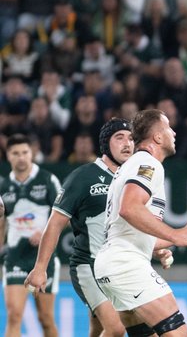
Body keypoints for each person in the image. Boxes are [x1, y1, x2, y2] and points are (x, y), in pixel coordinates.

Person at [94, 109, 187, 337]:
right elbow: (129, 208)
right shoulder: (148, 163)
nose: (173, 132)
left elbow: (132, 228)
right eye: (168, 127)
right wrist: (176, 234)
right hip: (126, 264)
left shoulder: (132, 165)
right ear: (157, 137)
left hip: (114, 263)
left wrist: (169, 241)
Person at [25, 119, 139, 337]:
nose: (127, 144)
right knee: (116, 328)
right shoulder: (83, 177)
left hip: (119, 266)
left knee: (98, 329)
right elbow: (55, 224)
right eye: (120, 138)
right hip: (88, 265)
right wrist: (40, 268)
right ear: (105, 144)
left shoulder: (133, 178)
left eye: (131, 139)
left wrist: (157, 249)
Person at [0, 134, 62, 337]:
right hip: (15, 258)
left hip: (43, 259)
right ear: (8, 156)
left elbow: (65, 216)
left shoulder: (47, 180)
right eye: (15, 153)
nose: (21, 157)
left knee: (45, 318)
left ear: (32, 153)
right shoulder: (3, 187)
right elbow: (2, 222)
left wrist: (44, 233)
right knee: (14, 315)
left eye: (25, 152)